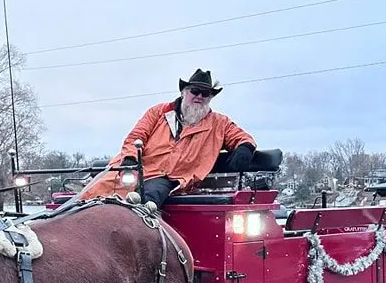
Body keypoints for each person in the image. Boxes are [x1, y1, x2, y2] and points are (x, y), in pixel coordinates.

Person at [81, 68, 257, 211]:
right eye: (195, 91)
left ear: (210, 98)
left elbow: (242, 137)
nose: (199, 97)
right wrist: (130, 159)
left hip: (170, 177)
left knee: (145, 203)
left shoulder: (220, 123)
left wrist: (245, 148)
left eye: (205, 94)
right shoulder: (158, 112)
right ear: (183, 92)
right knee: (91, 195)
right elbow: (136, 137)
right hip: (136, 169)